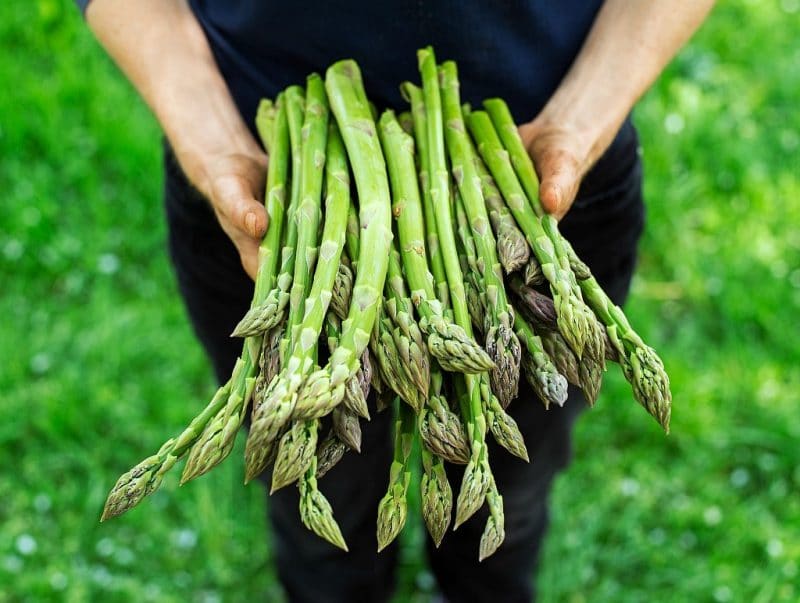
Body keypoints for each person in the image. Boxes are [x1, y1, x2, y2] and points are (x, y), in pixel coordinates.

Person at [76, 2, 714, 601]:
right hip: (268, 187)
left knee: (507, 499)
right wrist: (207, 134)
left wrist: (582, 119)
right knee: (318, 506)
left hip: (532, 181)